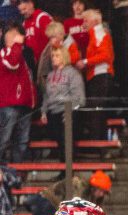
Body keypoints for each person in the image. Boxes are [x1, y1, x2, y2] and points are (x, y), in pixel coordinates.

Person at [41, 44, 85, 160]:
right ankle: (64, 171)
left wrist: (69, 110)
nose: (54, 58)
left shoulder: (73, 73)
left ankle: (68, 173)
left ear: (64, 57)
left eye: (57, 55)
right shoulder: (50, 75)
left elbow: (79, 97)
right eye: (52, 56)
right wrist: (44, 111)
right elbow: (47, 95)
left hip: (67, 111)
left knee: (66, 141)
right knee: (59, 141)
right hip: (53, 112)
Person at [76, 9, 113, 141]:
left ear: (96, 21)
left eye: (86, 20)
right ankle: (97, 143)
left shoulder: (99, 33)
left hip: (100, 76)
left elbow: (105, 55)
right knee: (97, 111)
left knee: (96, 111)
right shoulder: (94, 34)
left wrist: (85, 62)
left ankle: (96, 143)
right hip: (97, 76)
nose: (83, 23)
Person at [0, 24, 34, 164]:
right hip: (9, 103)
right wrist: (17, 45)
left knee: (22, 140)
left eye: (17, 33)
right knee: (4, 138)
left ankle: (16, 172)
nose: (14, 37)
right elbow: (12, 63)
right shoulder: (4, 52)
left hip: (25, 103)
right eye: (11, 33)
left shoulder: (26, 52)